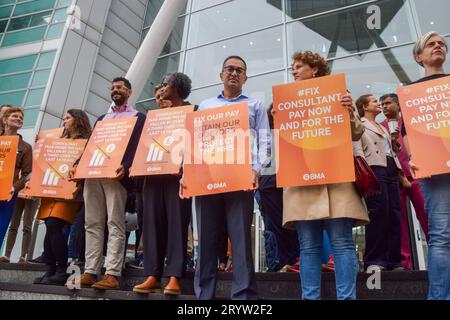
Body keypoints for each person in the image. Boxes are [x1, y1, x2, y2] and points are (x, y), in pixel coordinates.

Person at [282, 51, 369, 300]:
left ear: (315, 70)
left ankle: (347, 298)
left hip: (336, 179)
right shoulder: (287, 100)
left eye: (300, 66)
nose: (294, 70)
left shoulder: (337, 95)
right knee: (308, 247)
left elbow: (356, 133)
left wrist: (348, 109)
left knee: (342, 244)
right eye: (293, 67)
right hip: (302, 180)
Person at [183, 55, 271, 300]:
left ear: (245, 77)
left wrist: (257, 169)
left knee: (240, 241)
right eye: (229, 69)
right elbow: (193, 143)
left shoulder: (255, 105)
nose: (234, 73)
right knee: (207, 241)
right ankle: (204, 297)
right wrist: (186, 172)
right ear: (221, 74)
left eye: (239, 70)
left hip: (241, 180)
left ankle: (243, 297)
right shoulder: (205, 105)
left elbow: (264, 142)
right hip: (206, 181)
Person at [76, 77, 145, 290]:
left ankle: (112, 273)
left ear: (129, 92)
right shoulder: (102, 119)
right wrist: (78, 165)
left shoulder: (137, 117)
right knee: (92, 224)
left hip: (116, 176)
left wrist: (126, 166)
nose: (116, 90)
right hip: (93, 175)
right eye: (113, 88)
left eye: (121, 87)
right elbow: (91, 145)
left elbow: (137, 146)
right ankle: (90, 270)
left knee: (115, 223)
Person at [133, 73, 193, 296]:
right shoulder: (154, 115)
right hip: (152, 175)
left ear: (177, 88)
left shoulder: (191, 111)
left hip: (178, 176)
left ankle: (175, 276)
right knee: (151, 224)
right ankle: (153, 275)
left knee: (177, 224)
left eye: (165, 84)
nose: (161, 88)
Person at [407, 31, 450, 299]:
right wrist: (414, 157)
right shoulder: (411, 93)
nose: (438, 46)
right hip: (435, 173)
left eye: (441, 44)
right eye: (431, 44)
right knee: (442, 236)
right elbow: (404, 134)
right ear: (419, 56)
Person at [31, 109, 92, 285]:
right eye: (63, 118)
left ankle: (61, 269)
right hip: (51, 189)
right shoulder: (58, 142)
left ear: (78, 120)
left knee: (54, 224)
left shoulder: (85, 142)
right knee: (49, 226)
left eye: (67, 118)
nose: (64, 121)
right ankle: (49, 270)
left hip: (69, 190)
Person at [379, 93, 429, 270]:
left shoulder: (410, 123)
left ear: (399, 105)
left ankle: (440, 254)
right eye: (381, 104)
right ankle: (404, 262)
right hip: (394, 180)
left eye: (388, 103)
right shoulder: (380, 127)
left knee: (427, 215)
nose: (384, 107)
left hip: (417, 177)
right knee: (398, 223)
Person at [355, 94, 403, 271]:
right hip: (374, 168)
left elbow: (391, 150)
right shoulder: (360, 124)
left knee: (394, 214)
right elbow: (357, 148)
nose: (379, 105)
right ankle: (375, 260)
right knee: (378, 215)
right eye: (375, 101)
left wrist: (395, 140)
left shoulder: (383, 127)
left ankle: (394, 260)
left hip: (391, 168)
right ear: (365, 106)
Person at [258, 104, 299, 272]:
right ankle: (278, 263)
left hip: (292, 183)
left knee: (294, 224)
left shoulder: (295, 132)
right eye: (274, 111)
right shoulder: (265, 135)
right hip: (269, 185)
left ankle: (294, 260)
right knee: (274, 226)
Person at [0, 107, 32, 252]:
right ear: (5, 120)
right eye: (15, 116)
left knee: (1, 226)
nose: (19, 119)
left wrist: (15, 187)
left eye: (21, 118)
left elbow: (27, 173)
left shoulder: (25, 147)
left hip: (8, 193)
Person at [0, 197, 40, 264]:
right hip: (19, 194)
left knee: (27, 227)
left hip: (33, 196)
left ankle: (23, 257)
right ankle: (7, 255)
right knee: (13, 225)